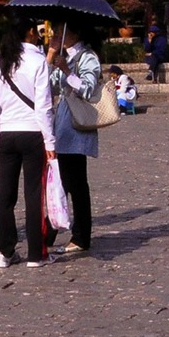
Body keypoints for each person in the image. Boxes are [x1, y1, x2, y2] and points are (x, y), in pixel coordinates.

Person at [0, 15, 55, 269]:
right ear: (28, 33)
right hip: (33, 133)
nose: (38, 35)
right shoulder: (38, 61)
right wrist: (50, 141)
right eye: (36, 31)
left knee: (4, 193)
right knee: (34, 194)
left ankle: (4, 251)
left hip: (8, 133)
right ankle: (36, 253)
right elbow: (44, 106)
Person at [44, 22, 101, 258]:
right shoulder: (63, 57)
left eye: (59, 32)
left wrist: (67, 71)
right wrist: (50, 56)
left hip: (77, 123)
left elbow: (88, 89)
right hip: (62, 123)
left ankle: (78, 235)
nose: (56, 36)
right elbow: (45, 85)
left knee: (74, 181)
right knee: (63, 178)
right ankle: (50, 232)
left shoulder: (87, 57)